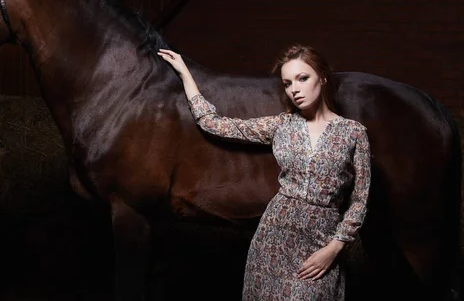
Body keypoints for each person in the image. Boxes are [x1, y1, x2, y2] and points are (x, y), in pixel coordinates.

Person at [157, 44, 371, 301]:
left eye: (303, 78)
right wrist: (184, 73)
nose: (295, 89)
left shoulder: (353, 132)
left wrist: (335, 247)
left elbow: (360, 200)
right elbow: (214, 124)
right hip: (273, 240)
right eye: (287, 83)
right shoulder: (282, 125)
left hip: (321, 240)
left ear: (323, 77)